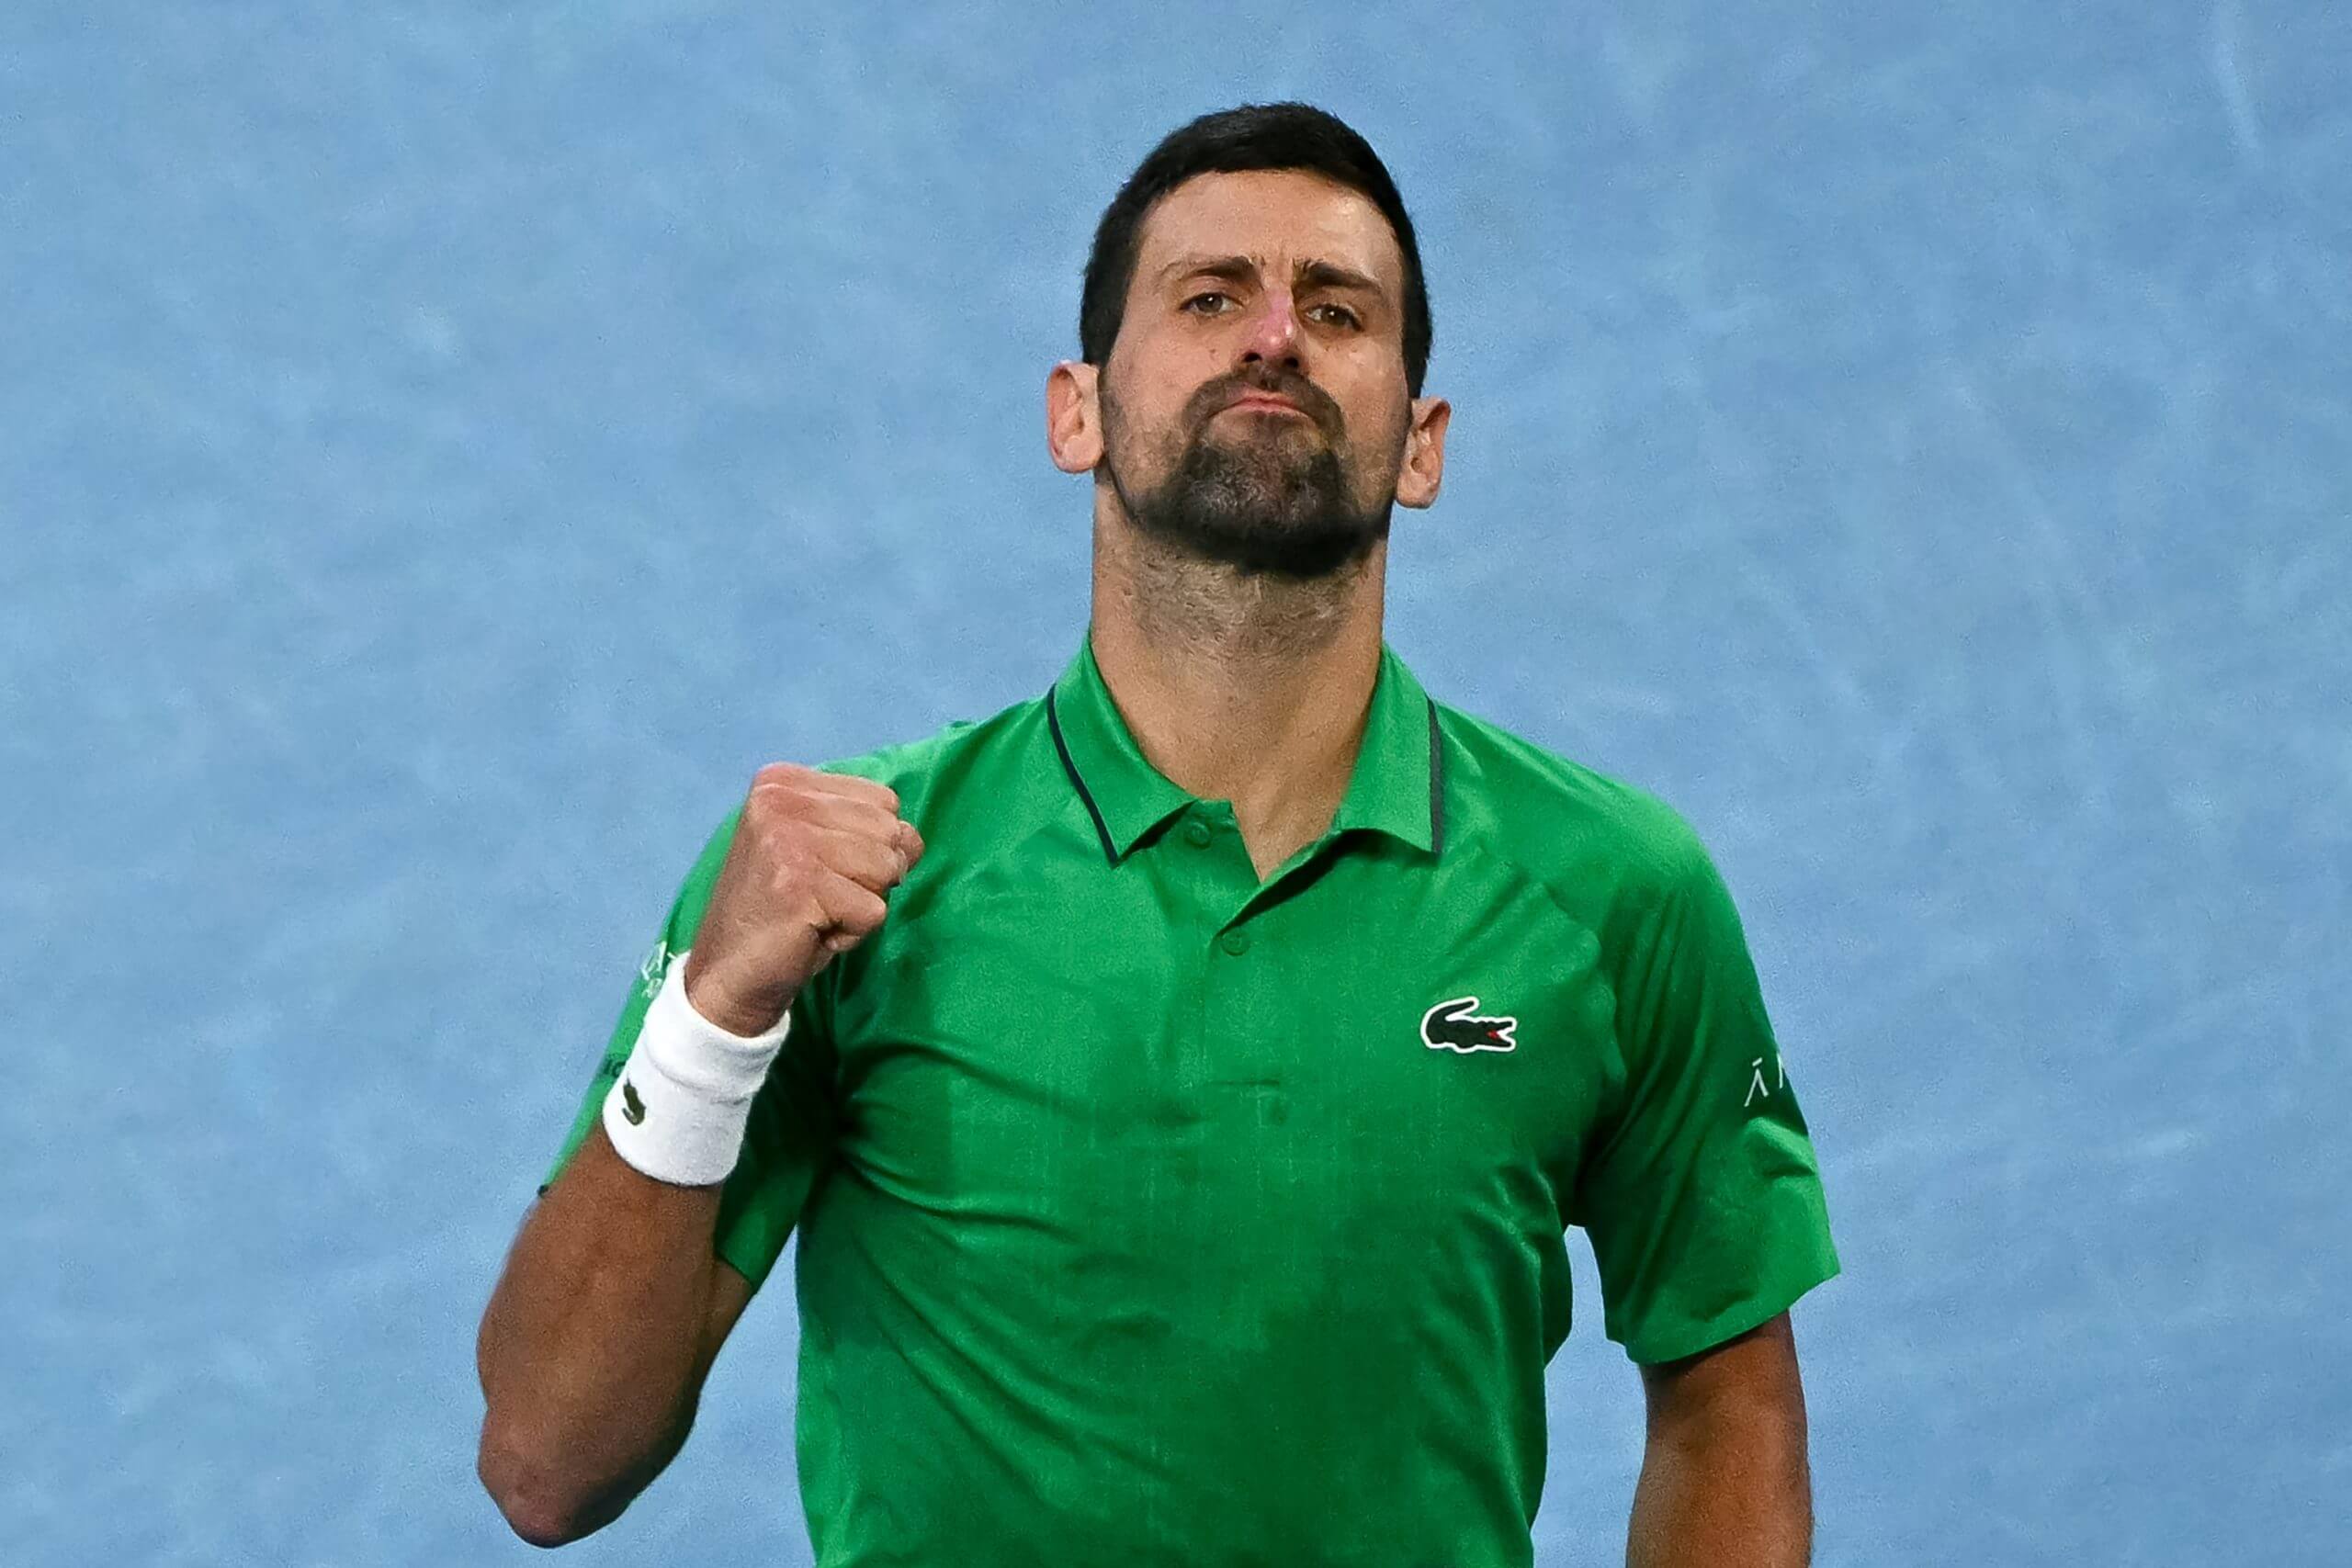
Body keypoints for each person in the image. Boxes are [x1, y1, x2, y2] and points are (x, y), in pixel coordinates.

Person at [475, 100, 1841, 1567]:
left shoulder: (1616, 893)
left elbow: (1728, 1405)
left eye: (1338, 309)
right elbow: (550, 1464)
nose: (1274, 338)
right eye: (1209, 298)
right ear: (1078, 411)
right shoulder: (847, 884)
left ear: (1422, 442)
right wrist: (714, 1017)